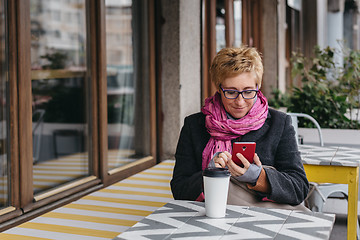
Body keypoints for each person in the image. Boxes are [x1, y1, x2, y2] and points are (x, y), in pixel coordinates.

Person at [170, 46, 309, 207]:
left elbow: (299, 187)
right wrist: (208, 175)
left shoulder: (279, 123)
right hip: (208, 222)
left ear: (258, 86)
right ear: (218, 88)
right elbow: (179, 190)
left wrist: (258, 176)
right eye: (231, 92)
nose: (240, 101)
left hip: (262, 224)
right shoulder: (194, 126)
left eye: (248, 91)